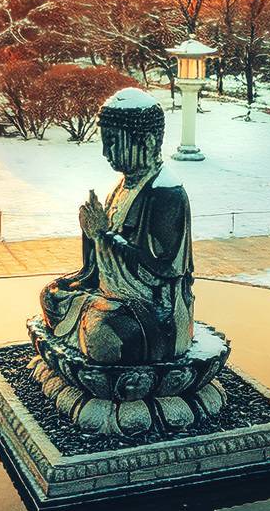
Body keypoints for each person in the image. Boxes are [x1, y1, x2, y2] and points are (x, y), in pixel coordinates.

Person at [39, 89, 195, 365]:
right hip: (112, 297)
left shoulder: (166, 193)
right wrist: (91, 234)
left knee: (105, 336)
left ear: (146, 142)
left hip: (151, 309)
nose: (105, 153)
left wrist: (102, 235)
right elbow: (97, 264)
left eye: (112, 143)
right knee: (52, 295)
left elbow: (161, 269)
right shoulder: (123, 187)